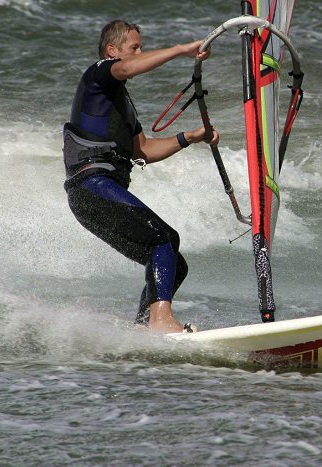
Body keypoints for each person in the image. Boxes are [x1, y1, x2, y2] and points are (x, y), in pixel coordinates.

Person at [62, 20, 218, 333]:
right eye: (135, 47)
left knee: (171, 256)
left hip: (93, 196)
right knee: (161, 238)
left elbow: (142, 152)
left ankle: (143, 328)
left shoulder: (120, 104)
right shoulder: (99, 73)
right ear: (112, 51)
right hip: (92, 184)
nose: (140, 52)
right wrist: (181, 49)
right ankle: (161, 320)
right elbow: (126, 69)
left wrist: (191, 137)